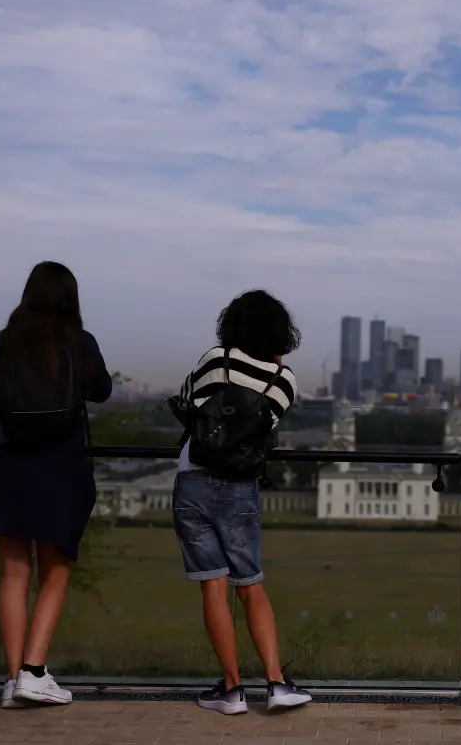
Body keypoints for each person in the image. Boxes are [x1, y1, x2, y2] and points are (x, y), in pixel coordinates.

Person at [0, 261, 112, 708]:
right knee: (56, 570)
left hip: (6, 464)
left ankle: (14, 681)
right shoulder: (79, 343)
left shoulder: (6, 342)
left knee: (13, 573)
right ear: (71, 298)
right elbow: (103, 390)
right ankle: (34, 671)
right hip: (59, 468)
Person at [169, 289, 312, 715]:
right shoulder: (284, 381)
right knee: (250, 586)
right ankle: (276, 684)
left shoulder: (215, 359)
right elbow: (268, 423)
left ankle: (231, 691)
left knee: (213, 586)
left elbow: (185, 399)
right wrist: (275, 368)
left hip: (193, 477)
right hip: (240, 486)